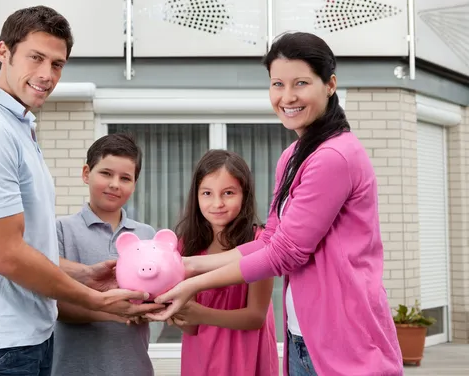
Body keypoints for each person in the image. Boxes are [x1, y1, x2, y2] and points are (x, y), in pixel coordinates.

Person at [148, 32, 404, 376]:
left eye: (300, 83)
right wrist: (188, 265)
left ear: (329, 85)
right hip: (302, 336)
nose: (287, 97)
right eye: (277, 84)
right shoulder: (293, 157)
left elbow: (286, 254)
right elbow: (269, 240)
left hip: (346, 340)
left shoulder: (335, 156)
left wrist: (192, 284)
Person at [0, 6, 157, 375]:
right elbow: (7, 255)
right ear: (3, 51)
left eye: (57, 64)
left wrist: (82, 273)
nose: (46, 75)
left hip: (21, 337)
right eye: (36, 57)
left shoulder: (17, 126)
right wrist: (98, 302)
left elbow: (26, 245)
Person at [52, 133, 159, 376]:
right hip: (74, 368)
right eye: (106, 173)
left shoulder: (146, 234)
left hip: (134, 367)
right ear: (86, 173)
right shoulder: (61, 230)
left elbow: (155, 296)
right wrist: (114, 311)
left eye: (125, 178)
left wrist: (151, 308)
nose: (115, 184)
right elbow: (56, 306)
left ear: (134, 184)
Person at [170, 149, 279, 376]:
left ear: (244, 194)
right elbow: (190, 327)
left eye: (228, 193)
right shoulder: (186, 246)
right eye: (207, 193)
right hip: (200, 362)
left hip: (247, 361)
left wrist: (200, 313)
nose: (217, 203)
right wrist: (172, 313)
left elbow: (255, 317)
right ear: (196, 196)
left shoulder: (260, 242)